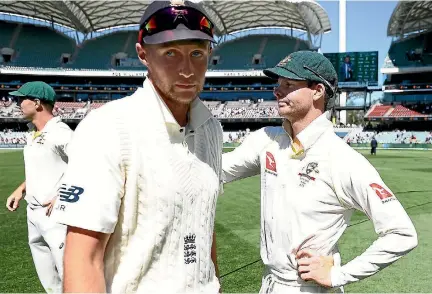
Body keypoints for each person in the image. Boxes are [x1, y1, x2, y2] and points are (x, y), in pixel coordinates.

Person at [52, 1, 223, 293]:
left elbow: (203, 222)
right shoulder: (108, 127)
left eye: (197, 53)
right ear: (143, 54)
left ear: (209, 53)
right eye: (170, 53)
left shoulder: (212, 129)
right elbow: (83, 259)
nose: (186, 69)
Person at [222, 51, 418, 293]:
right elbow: (215, 170)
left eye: (288, 84)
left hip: (310, 288)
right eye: (278, 84)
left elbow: (402, 233)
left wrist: (338, 274)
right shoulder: (267, 140)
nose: (277, 91)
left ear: (317, 91)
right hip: (270, 284)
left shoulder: (341, 159)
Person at [5, 81, 73, 293]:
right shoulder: (33, 133)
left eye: (21, 99)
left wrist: (62, 195)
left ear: (36, 103)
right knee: (49, 280)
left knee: (70, 275)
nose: (16, 103)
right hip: (33, 213)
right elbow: (41, 168)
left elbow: (88, 163)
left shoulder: (60, 132)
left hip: (56, 215)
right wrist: (21, 189)